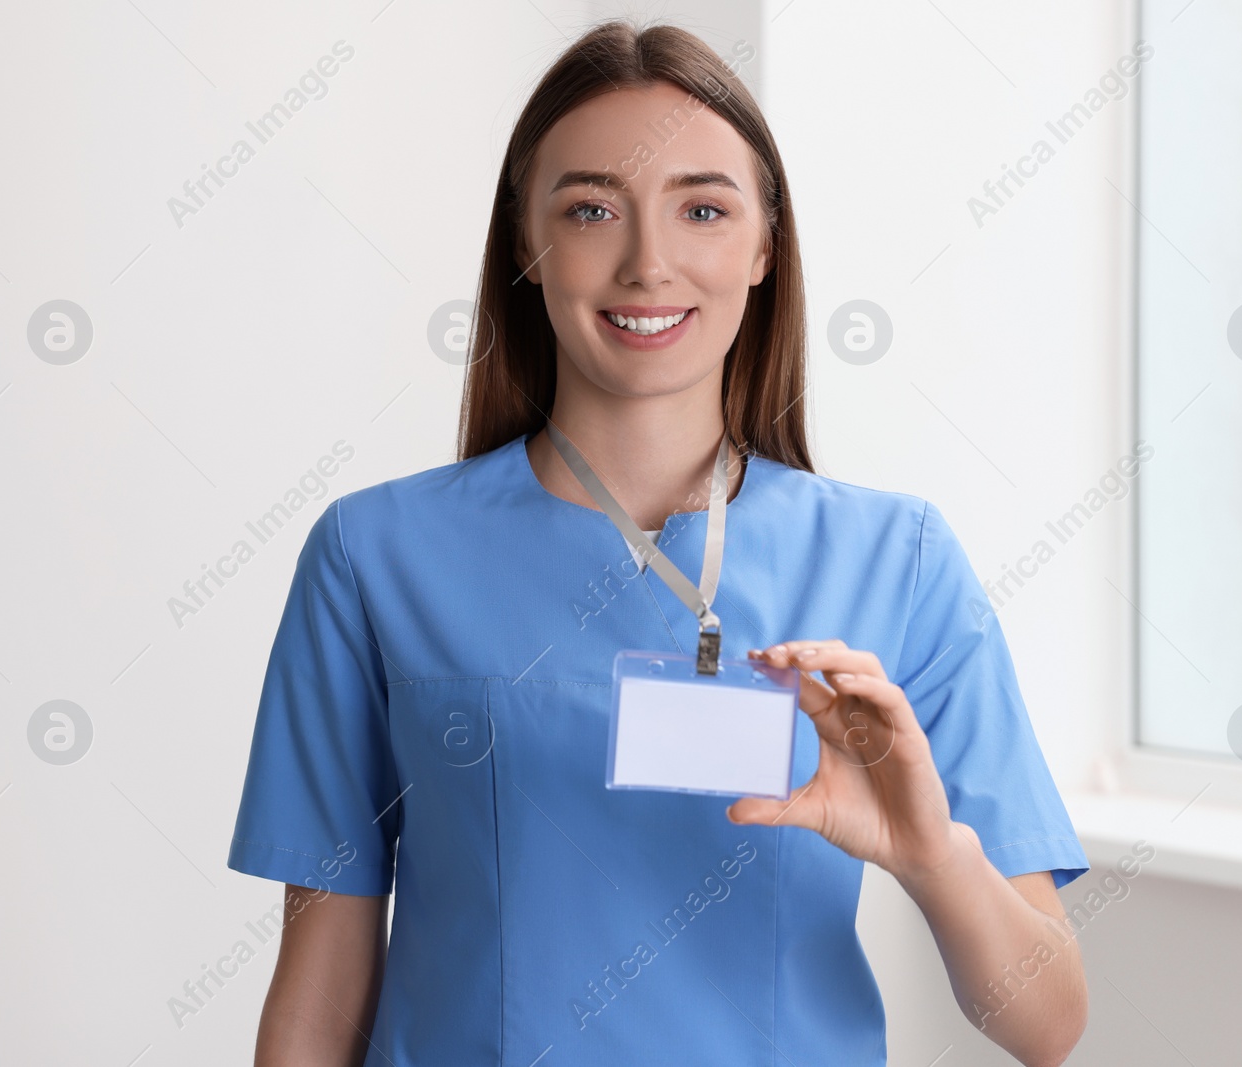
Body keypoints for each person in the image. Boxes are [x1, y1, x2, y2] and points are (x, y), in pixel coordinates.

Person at [227, 18, 1090, 1067]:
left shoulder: (895, 559)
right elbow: (317, 1003)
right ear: (524, 246)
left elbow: (1046, 1024)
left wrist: (929, 852)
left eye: (704, 208)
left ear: (766, 244)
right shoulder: (374, 557)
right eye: (591, 208)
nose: (649, 261)